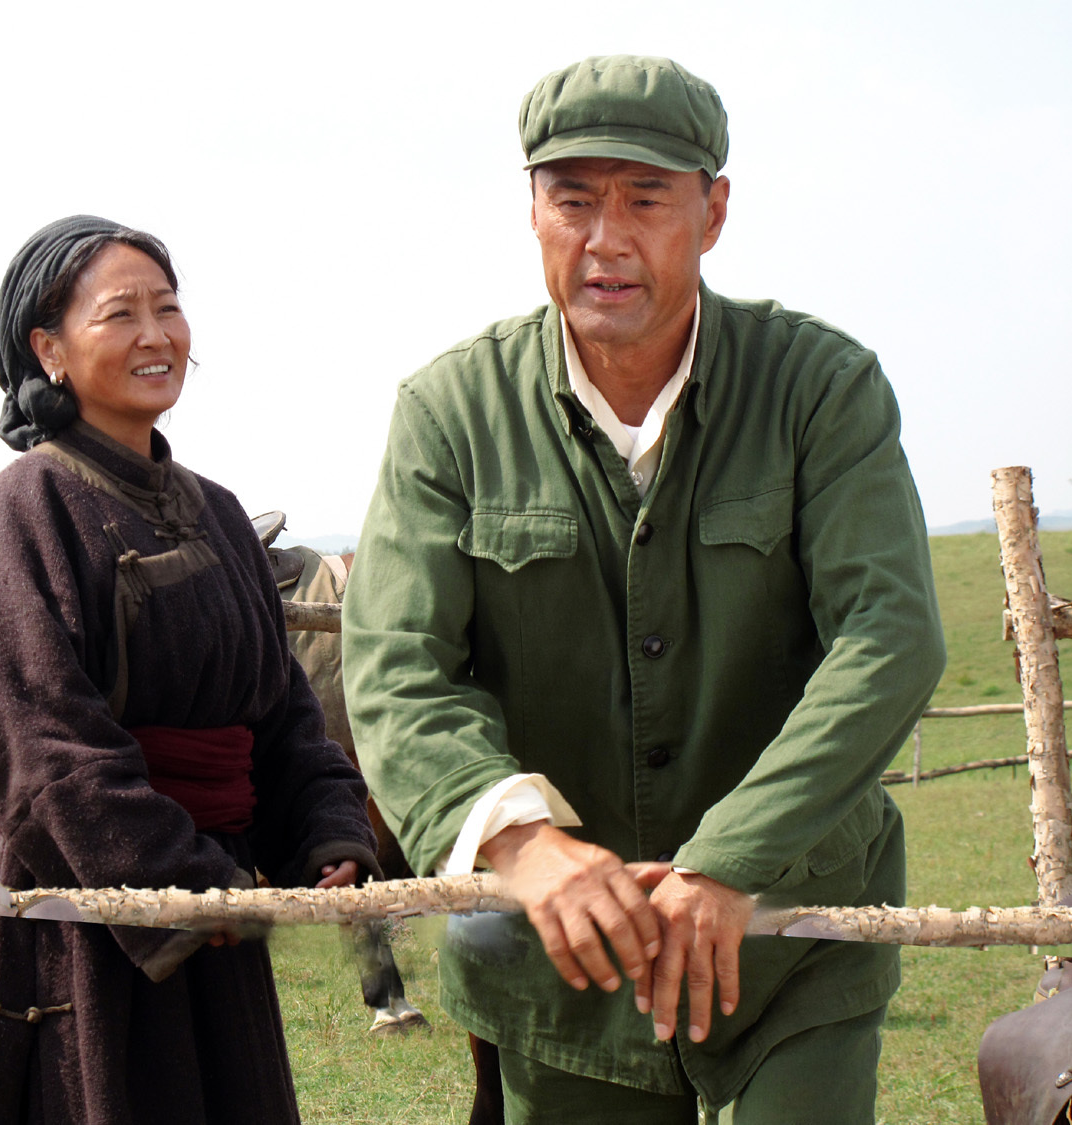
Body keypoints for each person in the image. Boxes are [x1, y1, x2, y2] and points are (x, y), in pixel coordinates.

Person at [341, 55, 946, 1123]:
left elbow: (888, 637)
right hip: (562, 968)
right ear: (531, 212)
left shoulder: (823, 389)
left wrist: (731, 861)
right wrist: (528, 848)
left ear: (712, 213)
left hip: (791, 940)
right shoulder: (450, 411)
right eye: (572, 201)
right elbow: (397, 669)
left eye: (646, 200)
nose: (605, 239)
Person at [0, 215, 380, 1125]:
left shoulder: (217, 512)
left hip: (212, 917)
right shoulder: (19, 515)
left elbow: (286, 713)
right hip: (83, 922)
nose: (157, 335)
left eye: (169, 308)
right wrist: (179, 880)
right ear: (48, 348)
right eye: (121, 314)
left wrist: (326, 827)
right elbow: (38, 752)